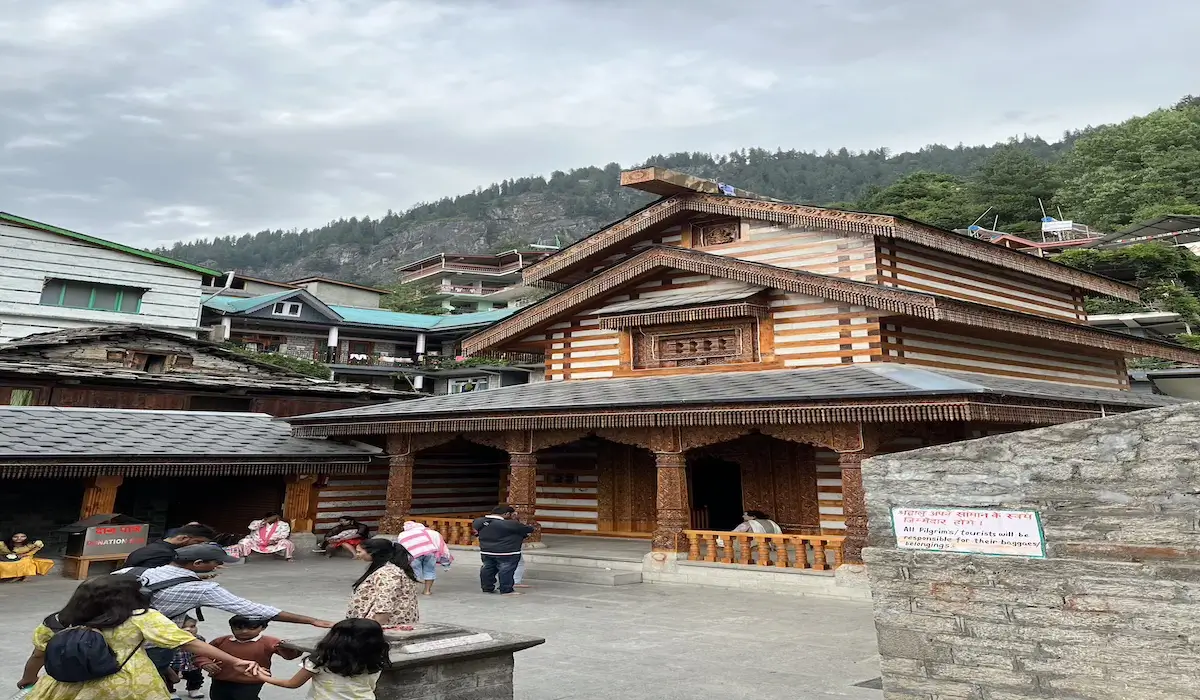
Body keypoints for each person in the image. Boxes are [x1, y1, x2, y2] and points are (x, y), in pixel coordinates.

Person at [113, 543, 333, 683]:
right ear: (197, 563)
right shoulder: (202, 589)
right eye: (216, 563)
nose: (220, 566)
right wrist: (311, 620)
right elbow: (252, 609)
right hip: (150, 645)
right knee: (146, 681)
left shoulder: (129, 571)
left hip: (108, 637)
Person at [16, 576, 262, 700]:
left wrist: (28, 679)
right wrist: (234, 661)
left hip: (64, 685)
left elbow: (38, 654)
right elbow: (188, 642)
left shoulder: (57, 620)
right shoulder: (140, 617)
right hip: (129, 684)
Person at [255, 619, 387, 699]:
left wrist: (262, 677)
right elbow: (371, 685)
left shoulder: (320, 660)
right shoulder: (377, 659)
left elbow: (292, 684)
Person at [194, 615, 302, 700]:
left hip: (252, 680)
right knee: (218, 698)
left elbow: (289, 656)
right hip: (221, 679)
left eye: (251, 628)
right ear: (231, 627)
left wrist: (287, 648)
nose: (244, 631)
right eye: (239, 628)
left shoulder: (270, 642)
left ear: (263, 627)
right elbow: (200, 652)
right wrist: (205, 662)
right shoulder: (222, 641)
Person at [345, 538, 420, 625]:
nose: (358, 555)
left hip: (381, 626)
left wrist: (375, 628)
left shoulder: (387, 573)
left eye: (359, 552)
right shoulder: (390, 568)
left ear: (372, 552)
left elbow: (385, 603)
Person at [472, 505, 534, 596]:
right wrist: (515, 519)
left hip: (486, 550)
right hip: (507, 551)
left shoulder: (478, 521)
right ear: (507, 514)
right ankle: (506, 590)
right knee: (506, 570)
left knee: (488, 568)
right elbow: (529, 529)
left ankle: (487, 587)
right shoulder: (510, 524)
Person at [396, 521, 452, 596]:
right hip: (431, 553)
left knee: (414, 572)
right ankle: (427, 591)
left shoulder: (403, 534)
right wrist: (445, 562)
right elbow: (440, 544)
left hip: (414, 554)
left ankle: (413, 590)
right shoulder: (432, 532)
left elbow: (402, 547)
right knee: (430, 570)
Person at [125, 524, 217, 568]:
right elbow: (151, 580)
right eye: (198, 542)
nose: (200, 546)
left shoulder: (155, 546)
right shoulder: (164, 554)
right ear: (183, 538)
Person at [225, 513, 294, 562]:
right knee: (244, 541)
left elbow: (285, 534)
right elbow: (251, 527)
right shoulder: (257, 522)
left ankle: (288, 557)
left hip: (273, 544)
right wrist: (265, 522)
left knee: (288, 543)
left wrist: (275, 540)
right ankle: (244, 555)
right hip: (256, 543)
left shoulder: (283, 524)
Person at [169, 616, 206, 700]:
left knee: (196, 676)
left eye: (192, 626)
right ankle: (170, 691)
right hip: (175, 664)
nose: (188, 629)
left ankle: (193, 689)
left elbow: (203, 651)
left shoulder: (199, 639)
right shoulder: (170, 639)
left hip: (192, 664)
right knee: (169, 678)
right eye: (183, 627)